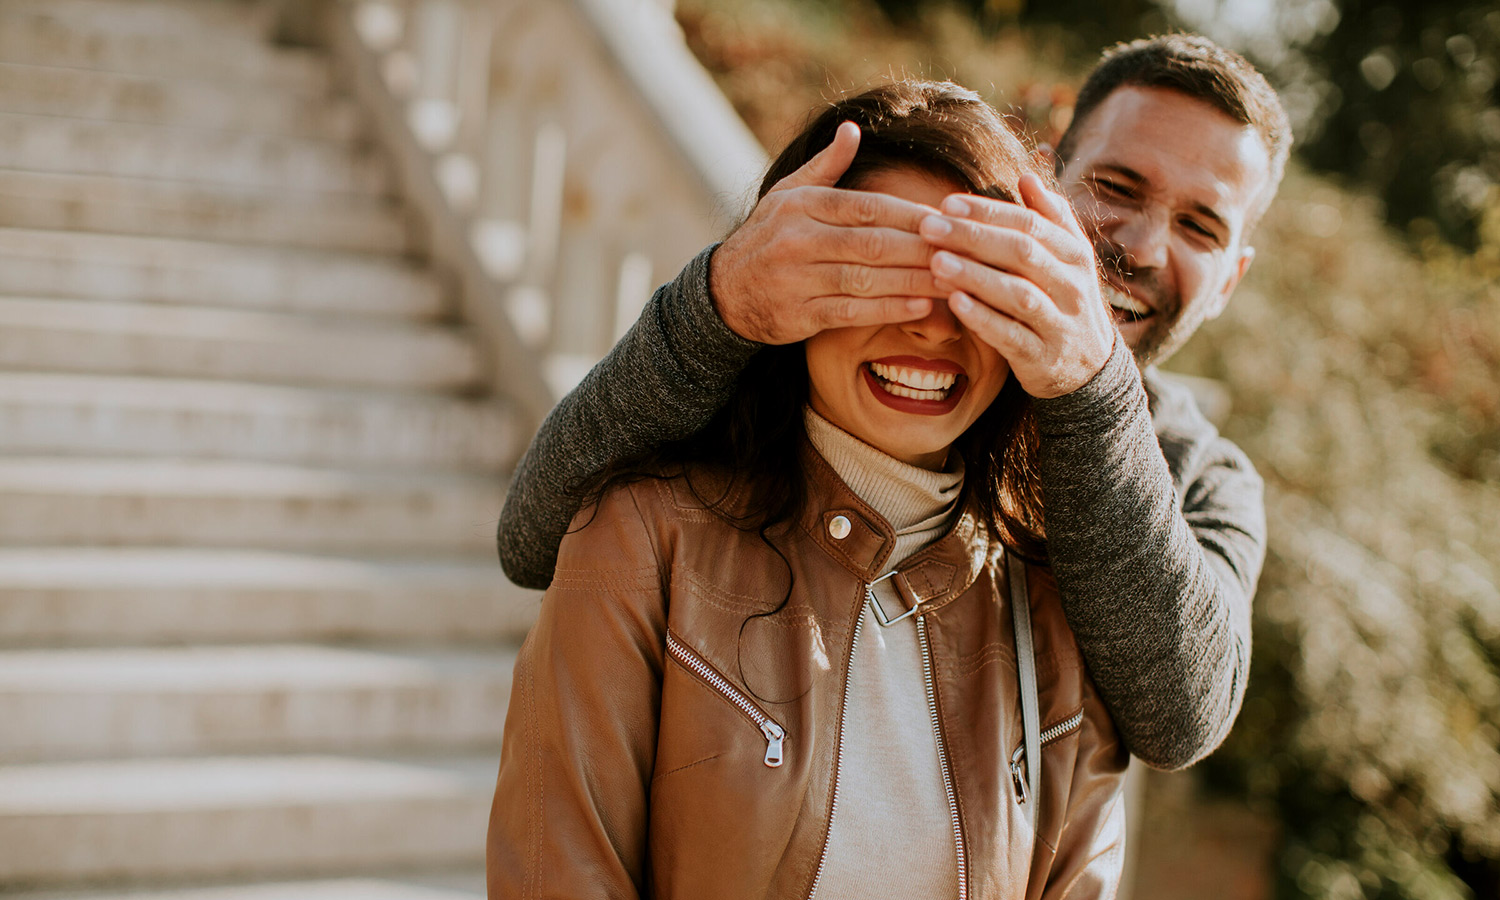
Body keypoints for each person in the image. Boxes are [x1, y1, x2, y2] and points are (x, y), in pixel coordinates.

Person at [496, 34, 1291, 770]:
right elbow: (533, 538)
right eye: (1117, 186)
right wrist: (716, 306)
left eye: (1200, 227)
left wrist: (1091, 390)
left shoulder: (1203, 475)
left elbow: (1181, 720)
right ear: (1043, 179)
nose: (1144, 246)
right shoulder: (858, 354)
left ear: (1231, 277)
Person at [488, 80, 1128, 899]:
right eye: (877, 271)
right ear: (787, 288)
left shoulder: (1059, 612)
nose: (931, 325)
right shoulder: (642, 539)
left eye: (973, 282)